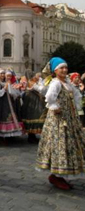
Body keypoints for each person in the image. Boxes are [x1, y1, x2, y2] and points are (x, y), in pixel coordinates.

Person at [36, 57, 85, 190]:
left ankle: (61, 175)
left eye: (65, 68)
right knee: (59, 145)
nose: (64, 70)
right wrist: (55, 107)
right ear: (55, 70)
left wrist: (75, 108)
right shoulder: (56, 83)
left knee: (68, 145)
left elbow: (76, 96)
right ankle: (55, 176)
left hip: (69, 118)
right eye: (61, 68)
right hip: (58, 120)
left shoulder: (67, 82)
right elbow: (50, 97)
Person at [0, 69, 23, 145]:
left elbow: (11, 92)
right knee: (1, 118)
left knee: (8, 118)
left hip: (8, 103)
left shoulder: (6, 82)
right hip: (0, 104)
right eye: (1, 74)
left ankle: (7, 137)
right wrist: (5, 88)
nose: (2, 75)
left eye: (3, 73)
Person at [21, 74, 48, 143]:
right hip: (31, 103)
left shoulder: (37, 82)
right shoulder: (31, 82)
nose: (39, 77)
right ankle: (31, 136)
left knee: (35, 118)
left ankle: (32, 136)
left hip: (36, 102)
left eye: (40, 76)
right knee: (32, 118)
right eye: (38, 76)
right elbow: (39, 90)